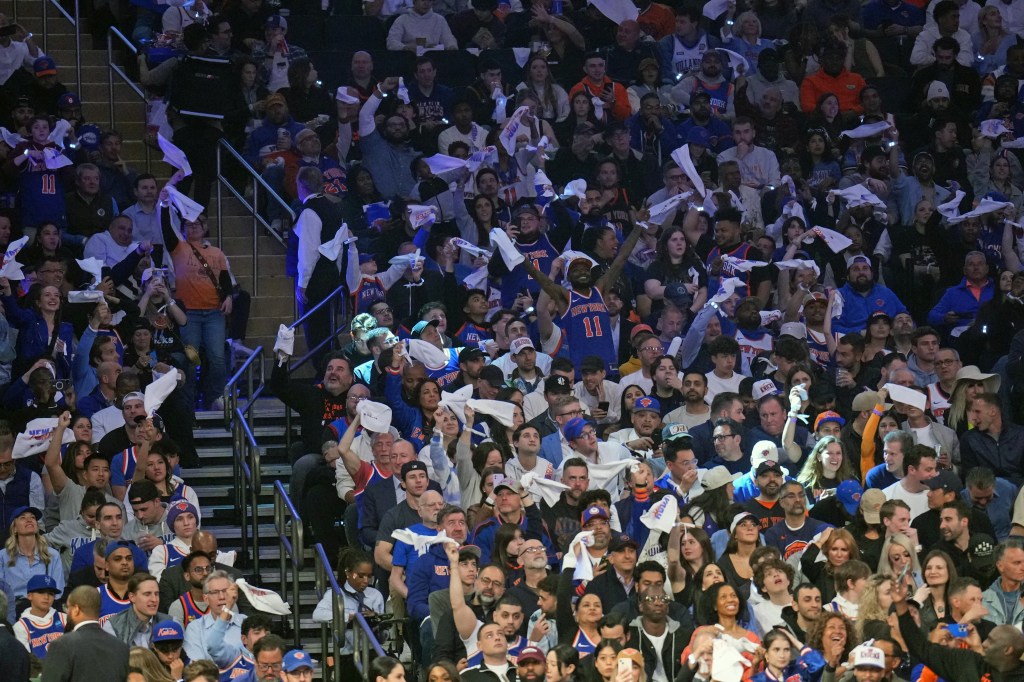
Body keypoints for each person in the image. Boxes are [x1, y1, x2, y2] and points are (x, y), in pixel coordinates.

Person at [40, 585, 130, 682]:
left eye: (67, 607)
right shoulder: (121, 647)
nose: (67, 612)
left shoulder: (62, 645)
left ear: (76, 609)